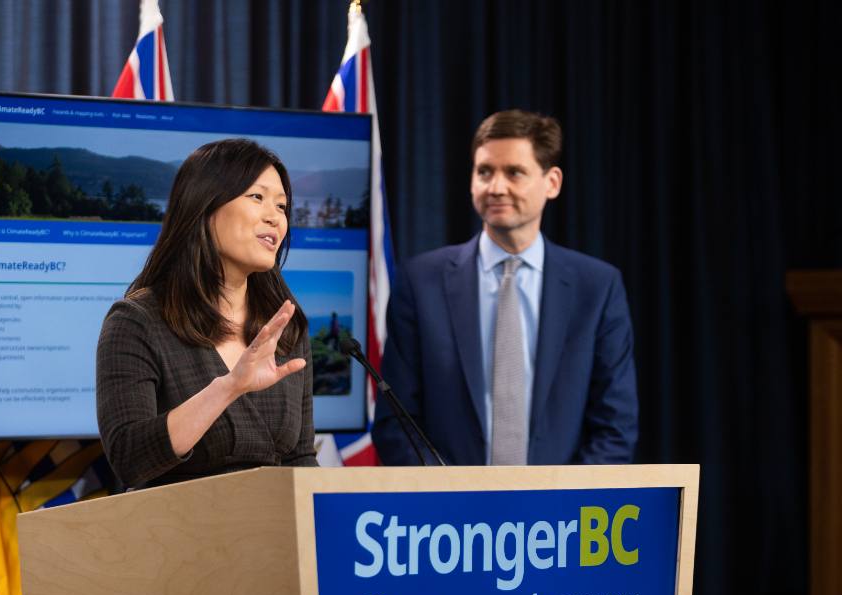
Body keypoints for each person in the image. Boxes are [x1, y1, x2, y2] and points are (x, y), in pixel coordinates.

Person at [372, 109, 637, 466]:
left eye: (514, 172)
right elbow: (397, 422)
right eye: (484, 172)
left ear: (552, 182)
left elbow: (615, 426)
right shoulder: (421, 283)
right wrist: (445, 504)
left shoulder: (597, 288)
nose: (496, 187)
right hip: (448, 515)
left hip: (561, 515)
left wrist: (565, 508)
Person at [96, 138, 317, 489]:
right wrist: (229, 388)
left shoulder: (286, 328)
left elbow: (300, 459)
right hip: (175, 533)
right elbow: (129, 458)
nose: (275, 218)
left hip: (272, 535)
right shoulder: (136, 322)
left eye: (282, 206)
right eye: (257, 198)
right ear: (204, 204)